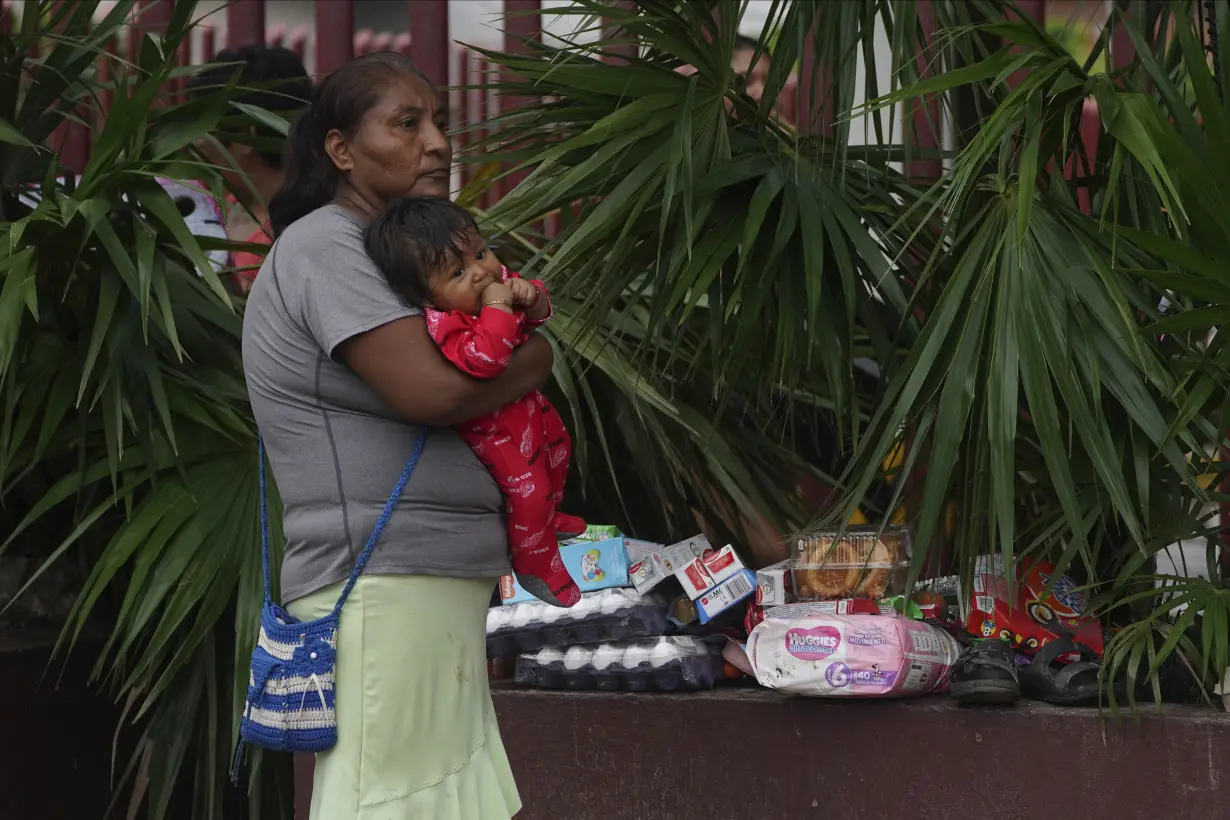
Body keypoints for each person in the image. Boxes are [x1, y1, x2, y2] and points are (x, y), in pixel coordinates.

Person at [243, 52, 536, 819]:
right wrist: (538, 354)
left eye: (438, 122)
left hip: (426, 574)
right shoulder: (325, 246)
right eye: (407, 125)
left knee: (446, 800)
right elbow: (432, 390)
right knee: (390, 799)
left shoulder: (391, 250)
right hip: (378, 579)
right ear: (341, 150)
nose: (436, 142)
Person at [364, 196, 586, 607]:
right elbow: (486, 359)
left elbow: (537, 316)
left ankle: (547, 523)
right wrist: (501, 305)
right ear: (428, 298)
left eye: (481, 252)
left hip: (529, 411)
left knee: (558, 451)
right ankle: (537, 565)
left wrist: (530, 295)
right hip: (495, 430)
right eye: (458, 272)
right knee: (529, 490)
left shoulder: (490, 287)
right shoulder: (444, 322)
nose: (482, 273)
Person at [188, 45, 312, 292]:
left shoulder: (299, 240)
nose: (193, 141)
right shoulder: (205, 209)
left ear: (246, 136)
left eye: (200, 126)